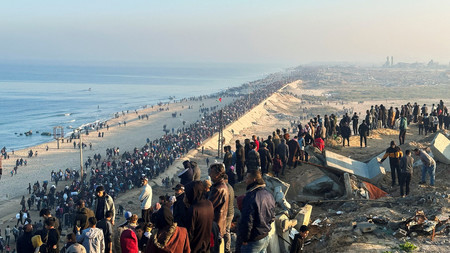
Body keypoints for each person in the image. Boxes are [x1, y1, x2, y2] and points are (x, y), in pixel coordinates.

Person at [239, 170, 275, 253]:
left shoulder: (250, 197)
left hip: (253, 240)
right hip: (265, 236)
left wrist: (245, 238)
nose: (245, 180)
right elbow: (272, 217)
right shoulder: (269, 194)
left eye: (247, 178)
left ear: (254, 180)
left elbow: (247, 221)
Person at [184, 181, 214, 253]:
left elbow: (189, 233)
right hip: (206, 246)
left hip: (195, 248)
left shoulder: (194, 209)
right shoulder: (209, 204)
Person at [208, 162, 229, 251]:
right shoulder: (221, 186)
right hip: (219, 225)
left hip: (216, 225)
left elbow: (209, 206)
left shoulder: (219, 189)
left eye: (212, 173)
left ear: (217, 174)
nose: (210, 175)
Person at [223, 175, 235, 253]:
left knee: (226, 231)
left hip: (227, 214)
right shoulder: (230, 187)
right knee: (227, 231)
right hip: (230, 212)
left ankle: (227, 249)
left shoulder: (226, 188)